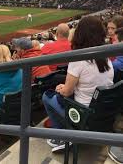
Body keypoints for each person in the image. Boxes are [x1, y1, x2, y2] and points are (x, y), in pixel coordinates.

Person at [43, 16, 114, 152]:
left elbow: (67, 92)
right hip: (103, 112)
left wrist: (62, 88)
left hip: (84, 115)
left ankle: (61, 137)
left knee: (47, 96)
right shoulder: (106, 56)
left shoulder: (79, 59)